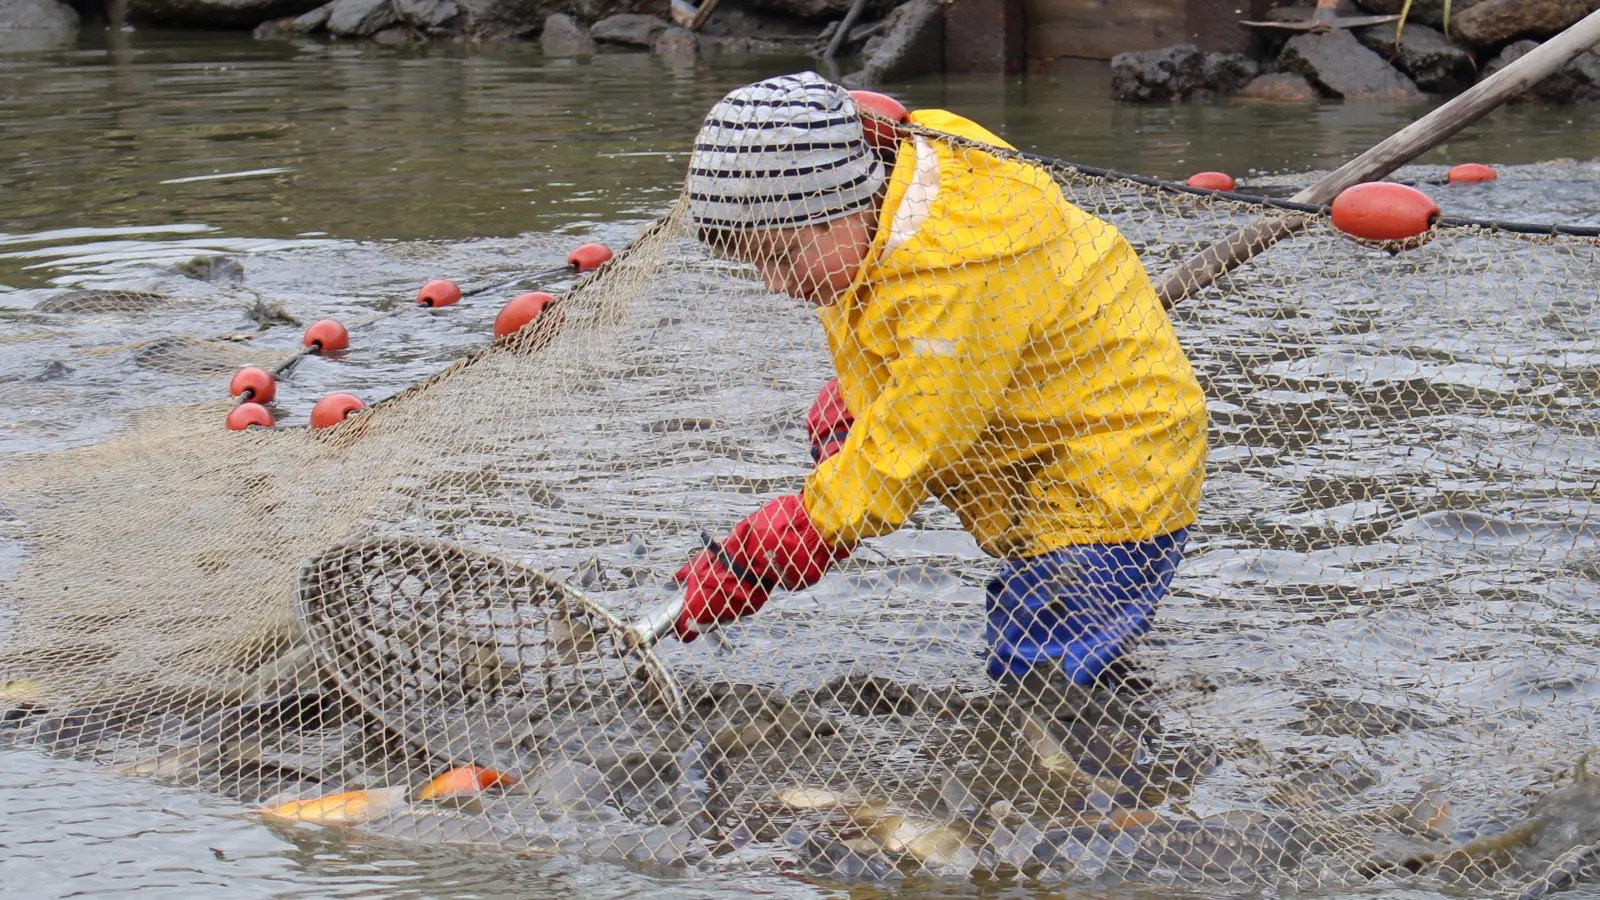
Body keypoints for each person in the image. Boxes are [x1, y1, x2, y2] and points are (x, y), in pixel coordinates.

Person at [671, 71, 1207, 697]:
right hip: (1044, 439)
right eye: (755, 263)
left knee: (1041, 669)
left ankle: (1106, 782)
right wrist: (860, 396)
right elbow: (903, 341)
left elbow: (916, 440)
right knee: (1052, 639)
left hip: (1113, 473)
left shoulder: (953, 273)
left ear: (842, 205)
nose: (774, 283)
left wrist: (784, 541)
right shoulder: (899, 190)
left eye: (783, 256)